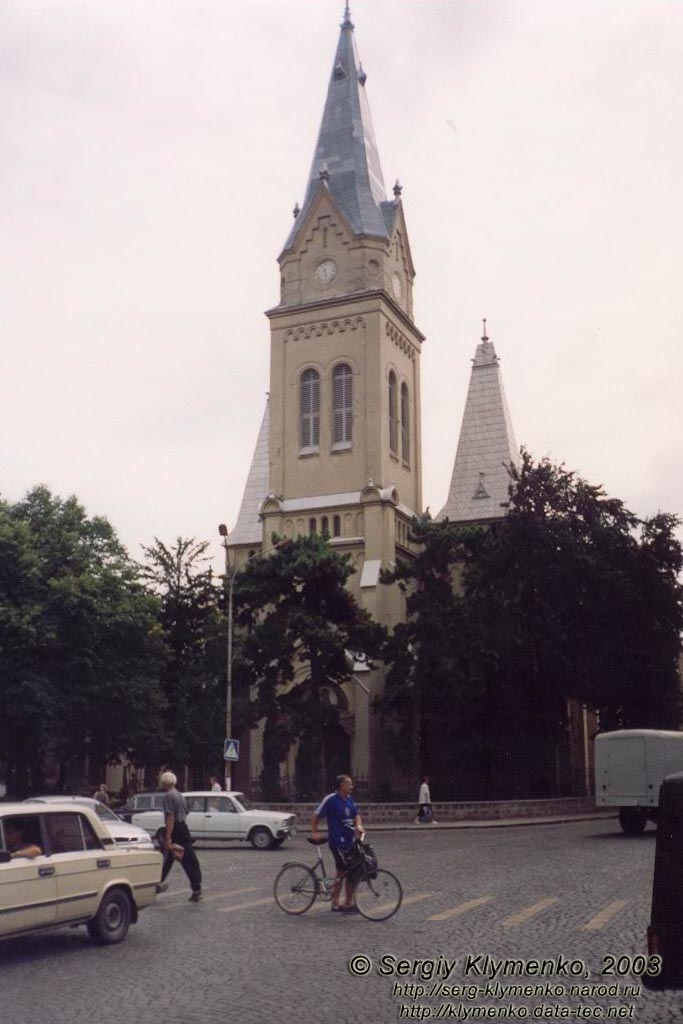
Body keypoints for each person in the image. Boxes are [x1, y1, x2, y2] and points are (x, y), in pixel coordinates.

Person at [311, 775, 363, 913]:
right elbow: (316, 816)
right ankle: (337, 903)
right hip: (337, 841)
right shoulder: (331, 800)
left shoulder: (350, 799)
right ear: (341, 785)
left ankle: (346, 903)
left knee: (350, 871)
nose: (351, 786)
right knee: (344, 870)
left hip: (349, 840)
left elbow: (356, 814)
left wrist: (359, 825)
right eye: (349, 784)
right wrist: (315, 831)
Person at [157, 771, 203, 902]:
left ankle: (154, 885)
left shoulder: (168, 796)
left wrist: (168, 837)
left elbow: (170, 817)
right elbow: (185, 813)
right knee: (188, 860)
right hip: (184, 828)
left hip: (175, 829)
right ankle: (197, 889)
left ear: (164, 782)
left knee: (166, 859)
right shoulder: (180, 795)